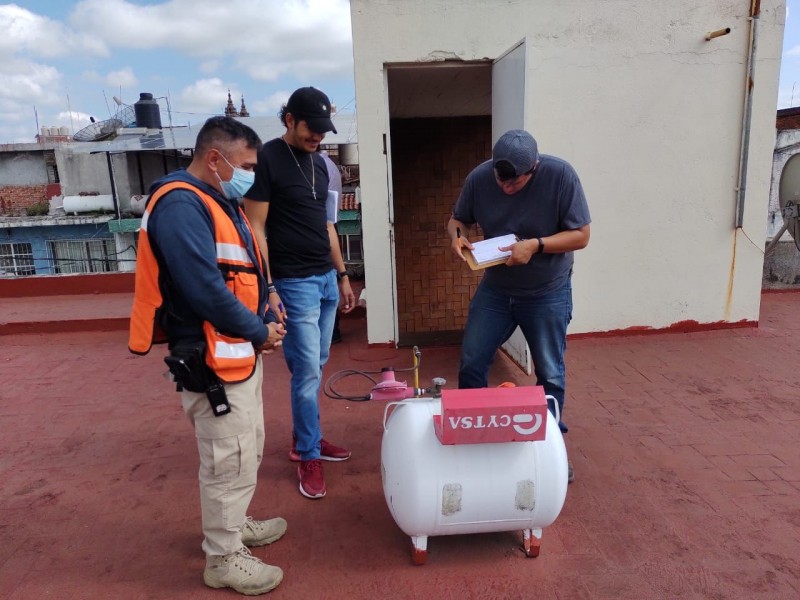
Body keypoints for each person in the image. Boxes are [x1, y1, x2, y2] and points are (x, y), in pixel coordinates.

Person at [129, 116, 287, 595]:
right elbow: (203, 289)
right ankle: (222, 557)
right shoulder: (180, 205)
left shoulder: (220, 199)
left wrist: (269, 297)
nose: (251, 175)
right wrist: (258, 330)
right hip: (212, 357)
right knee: (227, 458)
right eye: (246, 164)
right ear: (214, 158)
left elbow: (242, 267)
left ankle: (234, 525)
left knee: (246, 447)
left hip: (236, 353)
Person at [447, 129, 591, 483]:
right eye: (501, 178)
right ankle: (474, 439)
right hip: (497, 289)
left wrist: (535, 246)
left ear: (535, 168)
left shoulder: (561, 176)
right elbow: (457, 220)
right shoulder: (481, 178)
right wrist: (458, 238)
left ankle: (551, 449)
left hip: (547, 291)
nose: (506, 187)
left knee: (550, 373)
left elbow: (582, 235)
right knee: (472, 361)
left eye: (515, 182)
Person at [244, 87, 356, 500]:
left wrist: (343, 275)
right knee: (307, 372)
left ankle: (302, 438)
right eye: (312, 128)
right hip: (292, 282)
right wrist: (269, 286)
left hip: (326, 279)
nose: (318, 137)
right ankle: (308, 452)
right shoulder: (268, 158)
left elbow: (329, 225)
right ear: (289, 119)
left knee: (318, 362)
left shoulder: (323, 165)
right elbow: (256, 228)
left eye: (324, 130)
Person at [320, 149, 344, 344]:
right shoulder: (332, 166)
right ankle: (333, 331)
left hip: (323, 225)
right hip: (331, 222)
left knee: (326, 280)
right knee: (331, 278)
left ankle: (331, 331)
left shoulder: (320, 166)